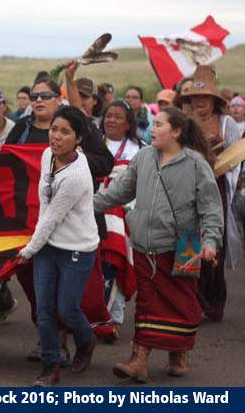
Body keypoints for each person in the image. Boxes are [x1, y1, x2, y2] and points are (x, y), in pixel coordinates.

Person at [94, 106, 221, 383]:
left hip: (187, 243)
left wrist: (210, 242)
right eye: (153, 124)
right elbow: (118, 193)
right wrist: (82, 206)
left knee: (183, 303)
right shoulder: (143, 157)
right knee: (148, 304)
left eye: (160, 125)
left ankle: (179, 351)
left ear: (176, 131)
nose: (152, 129)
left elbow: (211, 209)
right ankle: (139, 359)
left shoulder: (196, 164)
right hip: (145, 242)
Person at [19, 105, 101, 386]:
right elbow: (44, 206)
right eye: (54, 129)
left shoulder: (76, 175)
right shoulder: (46, 155)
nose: (56, 136)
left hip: (77, 248)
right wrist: (37, 245)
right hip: (49, 246)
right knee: (44, 311)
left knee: (67, 309)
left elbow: (53, 216)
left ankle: (86, 341)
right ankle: (50, 367)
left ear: (78, 139)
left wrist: (29, 249)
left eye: (66, 132)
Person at [173, 65, 239, 322]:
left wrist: (217, 171)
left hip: (216, 189)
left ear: (214, 101)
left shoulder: (227, 123)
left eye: (204, 97)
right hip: (186, 189)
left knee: (213, 243)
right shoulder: (181, 123)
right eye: (194, 97)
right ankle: (189, 301)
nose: (199, 102)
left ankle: (212, 301)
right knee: (187, 239)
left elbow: (234, 158)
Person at [97, 100, 143, 341]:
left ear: (128, 124)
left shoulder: (140, 148)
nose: (111, 120)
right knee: (96, 264)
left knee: (115, 261)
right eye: (108, 115)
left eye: (117, 117)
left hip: (125, 214)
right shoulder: (92, 142)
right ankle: (95, 316)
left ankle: (112, 318)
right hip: (94, 210)